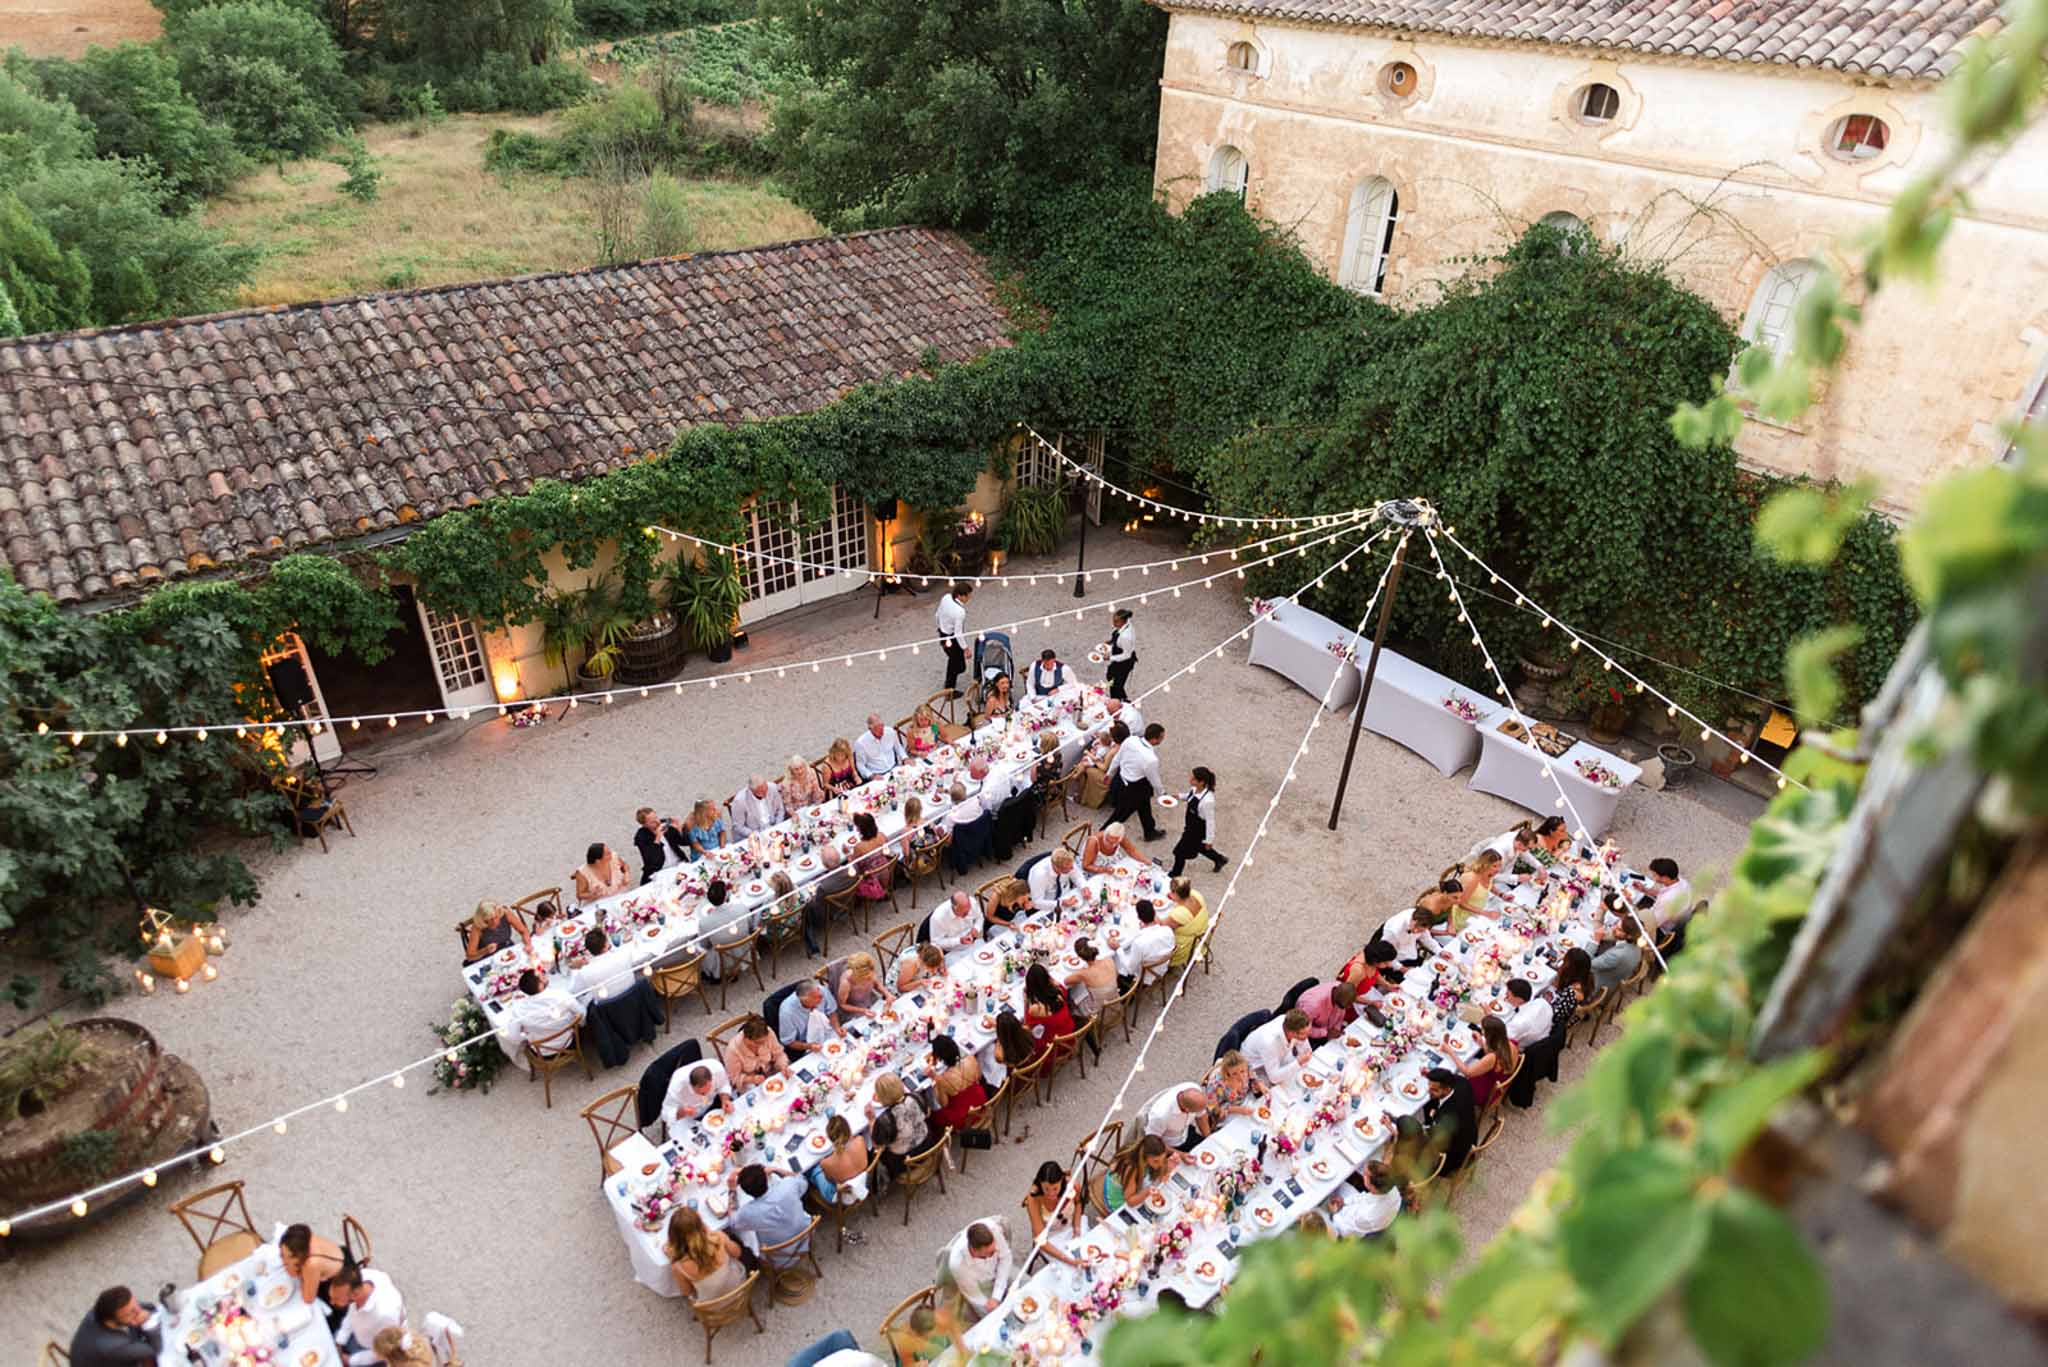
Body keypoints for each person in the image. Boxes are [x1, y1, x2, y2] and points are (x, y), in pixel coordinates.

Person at [495, 969, 584, 1067]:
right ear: (540, 985)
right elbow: (581, 1013)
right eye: (541, 975)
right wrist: (574, 1024)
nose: (544, 974)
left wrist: (528, 1038)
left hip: (542, 1053)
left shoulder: (518, 1010)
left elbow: (513, 1037)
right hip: (569, 1044)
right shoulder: (560, 995)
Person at [725, 1162, 813, 1261]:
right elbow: (802, 1180)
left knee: (739, 1231)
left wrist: (732, 1190)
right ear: (766, 1179)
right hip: (806, 1237)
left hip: (780, 1256)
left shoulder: (748, 1213)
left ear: (745, 1191)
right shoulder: (788, 1186)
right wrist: (776, 1170)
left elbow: (732, 1221)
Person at [812, 1115, 874, 1243]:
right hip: (863, 1182)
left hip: (841, 1194)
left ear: (830, 1138)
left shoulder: (827, 1163)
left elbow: (829, 1181)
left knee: (812, 1171)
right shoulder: (860, 1140)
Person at [327, 1263, 404, 1367]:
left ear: (355, 1294)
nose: (332, 1302)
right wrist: (339, 1341)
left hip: (373, 1350)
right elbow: (351, 1314)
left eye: (336, 1299)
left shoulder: (385, 1315)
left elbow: (385, 1351)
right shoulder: (361, 1279)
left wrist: (350, 1360)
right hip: (357, 1334)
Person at [666, 1206, 746, 1302]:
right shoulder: (718, 1238)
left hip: (714, 1306)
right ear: (701, 1225)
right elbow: (738, 1253)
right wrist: (712, 1234)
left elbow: (687, 1292)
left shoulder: (678, 1265)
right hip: (738, 1289)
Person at [69, 1286, 162, 1367]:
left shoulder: (100, 1310)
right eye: (131, 1312)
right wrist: (149, 1325)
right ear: (110, 1320)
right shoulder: (112, 1346)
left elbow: (150, 1307)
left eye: (135, 1304)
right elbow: (154, 1349)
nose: (139, 1312)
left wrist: (143, 1312)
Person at [279, 1224, 352, 1326]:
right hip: (338, 1257)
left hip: (337, 1281)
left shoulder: (311, 1264)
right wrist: (290, 1264)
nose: (283, 1261)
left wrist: (294, 1271)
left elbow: (308, 1298)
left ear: (298, 1255)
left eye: (287, 1258)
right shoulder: (305, 1238)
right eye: (281, 1255)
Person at [1108, 722, 1167, 841]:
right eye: (1162, 737)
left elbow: (1117, 758)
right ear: (1155, 739)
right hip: (1134, 788)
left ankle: (1150, 831)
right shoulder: (1151, 759)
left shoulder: (1131, 740)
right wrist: (1162, 794)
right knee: (1119, 817)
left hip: (1122, 779)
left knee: (1144, 806)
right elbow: (1154, 779)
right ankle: (1101, 836)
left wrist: (1109, 773)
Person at [946, 1220, 1013, 1322]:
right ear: (974, 1250)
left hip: (999, 1268)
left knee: (1024, 1290)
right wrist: (991, 1304)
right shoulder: (958, 1265)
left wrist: (997, 1295)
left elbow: (1005, 1257)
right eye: (990, 1253)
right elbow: (974, 1293)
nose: (995, 1252)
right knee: (994, 1321)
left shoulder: (993, 1230)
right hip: (979, 1286)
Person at [866, 1072, 929, 1179]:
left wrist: (871, 1120)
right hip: (927, 1144)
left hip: (904, 1162)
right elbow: (927, 1113)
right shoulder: (915, 1096)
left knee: (877, 1152)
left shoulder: (885, 1120)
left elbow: (877, 1145)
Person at [1021, 1162, 1085, 1266]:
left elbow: (1078, 1203)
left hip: (1073, 1226)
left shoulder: (1072, 1186)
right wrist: (1069, 1261)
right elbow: (1040, 1239)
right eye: (1046, 1189)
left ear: (1062, 1182)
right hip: (1050, 1237)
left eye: (1055, 1188)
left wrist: (1077, 1229)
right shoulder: (1033, 1199)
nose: (1051, 1194)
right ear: (1039, 1184)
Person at [1168, 766, 1226, 876]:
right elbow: (1189, 797)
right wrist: (1178, 796)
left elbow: (1210, 822)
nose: (1190, 780)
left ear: (1201, 782)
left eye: (1193, 779)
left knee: (1179, 852)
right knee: (1199, 846)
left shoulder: (1208, 801)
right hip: (1190, 825)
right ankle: (1219, 859)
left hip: (1196, 830)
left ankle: (1175, 874)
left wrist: (1209, 840)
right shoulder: (1195, 789)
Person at [1421, 1068, 1479, 1173]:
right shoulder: (1462, 1082)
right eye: (1429, 1086)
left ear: (1447, 1089)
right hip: (1469, 1132)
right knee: (1428, 1104)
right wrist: (1431, 1075)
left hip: (1453, 1156)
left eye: (1434, 1090)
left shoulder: (1446, 1117)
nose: (1428, 1091)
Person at [1110, 899, 1174, 993]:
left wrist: (1118, 948)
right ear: (1154, 913)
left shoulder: (1139, 943)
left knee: (1116, 958)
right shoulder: (1168, 930)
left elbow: (1130, 969)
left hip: (1146, 975)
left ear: (1139, 918)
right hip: (1162, 967)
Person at [1324, 1162, 1403, 1238]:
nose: (1363, 1173)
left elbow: (1346, 1231)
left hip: (1347, 1228)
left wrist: (1334, 1213)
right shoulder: (1391, 1188)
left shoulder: (1368, 1217)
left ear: (1372, 1186)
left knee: (1317, 1211)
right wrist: (1345, 1201)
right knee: (1340, 1185)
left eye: (1365, 1174)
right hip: (1358, 1213)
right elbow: (1366, 1197)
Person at [660, 1060, 733, 1140]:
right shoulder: (677, 1088)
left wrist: (725, 1100)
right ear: (691, 1085)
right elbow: (665, 1114)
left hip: (713, 1106)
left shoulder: (717, 1069)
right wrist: (682, 1112)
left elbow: (724, 1084)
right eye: (701, 1093)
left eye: (708, 1089)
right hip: (689, 1118)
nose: (705, 1095)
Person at [1241, 1008, 1312, 1088]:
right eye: (1304, 1034)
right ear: (1291, 1033)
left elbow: (1306, 1050)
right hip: (1254, 1066)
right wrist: (1298, 1062)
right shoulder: (1269, 1043)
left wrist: (1303, 1057)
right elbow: (1274, 1078)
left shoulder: (1289, 1022)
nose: (1307, 1037)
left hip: (1274, 1057)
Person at [930, 1035, 988, 1131]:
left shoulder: (942, 1079)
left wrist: (935, 1079)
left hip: (965, 1115)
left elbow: (944, 1104)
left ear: (940, 1058)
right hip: (980, 1101)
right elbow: (979, 1077)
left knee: (935, 1115)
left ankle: (942, 1137)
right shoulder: (970, 1058)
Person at [569, 925, 639, 1004]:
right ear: (606, 944)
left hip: (609, 1010)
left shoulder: (584, 972)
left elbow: (573, 991)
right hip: (635, 998)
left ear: (588, 950)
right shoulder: (624, 953)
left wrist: (576, 969)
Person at [1638, 857, 1696, 951]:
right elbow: (1662, 893)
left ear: (1665, 878)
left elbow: (1653, 923)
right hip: (1676, 919)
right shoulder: (1683, 883)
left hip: (1663, 929)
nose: (1653, 877)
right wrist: (1644, 890)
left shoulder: (1667, 901)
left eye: (1655, 875)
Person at [1463, 1014, 1518, 1111]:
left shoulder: (1492, 1058)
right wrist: (1481, 1042)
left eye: (1483, 1031)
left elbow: (1467, 1072)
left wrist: (1449, 1051)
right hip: (1499, 1083)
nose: (1482, 1032)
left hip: (1484, 1092)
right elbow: (1497, 1054)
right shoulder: (1511, 1043)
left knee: (1455, 1074)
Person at [1376, 894, 1451, 965]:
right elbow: (1385, 955)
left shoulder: (1422, 922)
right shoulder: (1394, 931)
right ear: (1413, 919)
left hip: (1408, 952)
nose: (1415, 931)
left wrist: (1440, 951)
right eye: (1415, 927)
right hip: (1390, 956)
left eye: (1420, 931)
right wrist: (1401, 968)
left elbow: (1427, 939)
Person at [722, 1015, 793, 1090]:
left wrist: (783, 1066)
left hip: (770, 1071)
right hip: (748, 1082)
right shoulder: (733, 1050)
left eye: (763, 1042)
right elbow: (734, 1077)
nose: (761, 1045)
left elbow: (779, 1054)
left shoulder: (768, 1033)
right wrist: (752, 1079)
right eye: (757, 1043)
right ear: (746, 1038)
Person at [1023, 963, 1077, 1060]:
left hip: (1053, 1045)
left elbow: (1027, 1024)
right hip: (1068, 1033)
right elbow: (1060, 986)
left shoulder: (1036, 1008)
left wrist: (1026, 1002)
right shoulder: (1059, 990)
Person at [1113, 1135, 1180, 1207]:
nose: (1160, 1164)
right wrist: (1147, 1192)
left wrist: (1168, 1168)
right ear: (1145, 1156)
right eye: (1156, 1161)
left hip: (1133, 1187)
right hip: (1116, 1197)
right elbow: (1130, 1201)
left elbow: (1159, 1176)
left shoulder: (1147, 1158)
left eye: (1163, 1159)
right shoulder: (1132, 1168)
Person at [460, 899, 531, 964]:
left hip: (506, 948)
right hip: (487, 956)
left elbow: (523, 931)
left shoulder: (505, 913)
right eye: (490, 919)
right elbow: (470, 955)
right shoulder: (477, 927)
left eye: (496, 917)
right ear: (484, 919)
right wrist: (485, 950)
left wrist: (527, 944)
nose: (495, 921)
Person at [1143, 1084, 1212, 1151]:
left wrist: (1208, 1138)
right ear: (1187, 1110)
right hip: (1170, 1145)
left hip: (1186, 1133)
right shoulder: (1160, 1116)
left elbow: (1201, 1117)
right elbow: (1154, 1142)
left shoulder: (1195, 1089)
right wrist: (1181, 1155)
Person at [778, 980, 840, 1054]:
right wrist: (809, 1046)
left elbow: (831, 1011)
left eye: (820, 998)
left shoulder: (821, 991)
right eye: (814, 1005)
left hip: (828, 1031)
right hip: (807, 1044)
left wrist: (837, 1028)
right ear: (804, 1001)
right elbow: (789, 1042)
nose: (817, 1007)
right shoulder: (787, 1013)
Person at [633, 806, 691, 884]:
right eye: (652, 822)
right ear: (644, 825)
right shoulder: (641, 837)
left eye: (656, 817)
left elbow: (685, 842)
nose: (657, 822)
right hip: (660, 872)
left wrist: (679, 828)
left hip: (679, 865)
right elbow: (653, 861)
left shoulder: (665, 824)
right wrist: (658, 838)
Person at [1163, 876, 1211, 970]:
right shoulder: (1196, 894)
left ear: (1176, 894)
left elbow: (1161, 925)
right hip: (1202, 932)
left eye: (1172, 892)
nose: (1169, 893)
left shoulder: (1179, 914)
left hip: (1184, 946)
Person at [935, 583, 974, 695]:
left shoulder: (946, 597)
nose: (969, 598)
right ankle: (949, 689)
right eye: (968, 596)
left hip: (943, 634)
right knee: (959, 665)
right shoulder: (960, 612)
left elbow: (937, 615)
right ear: (960, 596)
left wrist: (940, 626)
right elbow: (958, 633)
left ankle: (949, 685)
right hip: (952, 638)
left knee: (953, 661)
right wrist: (966, 649)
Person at [1203, 1049, 1263, 1120]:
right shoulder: (1217, 1086)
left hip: (1247, 1102)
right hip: (1230, 1113)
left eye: (1242, 1071)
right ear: (1227, 1073)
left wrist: (1259, 1084)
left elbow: (1252, 1076)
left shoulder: (1246, 1067)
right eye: (1234, 1074)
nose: (1241, 1077)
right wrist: (1236, 1109)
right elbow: (1213, 1110)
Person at [1063, 939, 1118, 1016]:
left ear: (1081, 957)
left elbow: (1065, 981)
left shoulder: (1083, 973)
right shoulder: (1108, 959)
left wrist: (1081, 972)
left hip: (1098, 1009)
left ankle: (1072, 1012)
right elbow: (1116, 974)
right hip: (1115, 999)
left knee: (1073, 992)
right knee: (1085, 986)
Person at [1592, 913, 1644, 993]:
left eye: (1619, 929)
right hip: (1613, 978)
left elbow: (1588, 964)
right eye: (1616, 924)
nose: (1613, 928)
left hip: (1594, 982)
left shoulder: (1617, 955)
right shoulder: (1637, 946)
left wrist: (1595, 941)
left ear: (1629, 936)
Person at [1295, 979, 1359, 1042]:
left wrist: (1336, 1029)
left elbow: (1340, 1015)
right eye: (1343, 1006)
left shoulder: (1340, 989)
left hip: (1326, 1028)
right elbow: (1301, 1029)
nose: (1347, 1008)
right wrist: (1326, 1033)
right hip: (1306, 1033)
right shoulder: (1312, 1006)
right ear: (1335, 997)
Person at [849, 812, 893, 900]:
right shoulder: (881, 835)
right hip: (886, 872)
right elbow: (887, 850)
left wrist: (847, 854)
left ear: (861, 830)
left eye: (858, 827)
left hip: (872, 880)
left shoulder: (859, 847)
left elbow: (853, 865)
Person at [837, 952, 893, 1019]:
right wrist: (863, 1011)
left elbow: (877, 984)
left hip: (871, 1001)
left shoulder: (869, 970)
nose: (871, 976)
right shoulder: (846, 983)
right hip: (855, 1010)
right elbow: (842, 1005)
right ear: (858, 975)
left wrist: (887, 994)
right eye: (867, 977)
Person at [1552, 947, 1595, 1032]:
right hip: (1570, 1010)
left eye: (1565, 962)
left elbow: (1555, 1017)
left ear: (1571, 969)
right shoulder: (1587, 976)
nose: (1563, 964)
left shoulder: (1571, 992)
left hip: (1558, 1023)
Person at [1503, 978, 1554, 1049]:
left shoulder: (1519, 1022)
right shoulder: (1542, 1003)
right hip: (1543, 1037)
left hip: (1520, 1048)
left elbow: (1501, 1038)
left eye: (1508, 995)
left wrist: (1489, 1016)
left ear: (1519, 1000)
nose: (1505, 996)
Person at [1027, 847, 1081, 913]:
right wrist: (1061, 903)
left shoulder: (1068, 861)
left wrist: (1084, 887)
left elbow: (1077, 875)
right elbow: (1036, 902)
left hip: (1067, 894)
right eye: (1069, 868)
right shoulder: (1040, 875)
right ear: (1058, 869)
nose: (1073, 869)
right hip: (1049, 905)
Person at [854, 714, 908, 779]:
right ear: (870, 728)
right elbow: (860, 765)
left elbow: (898, 747)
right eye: (877, 727)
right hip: (878, 774)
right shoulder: (861, 743)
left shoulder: (890, 732)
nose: (881, 729)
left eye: (882, 725)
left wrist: (905, 758)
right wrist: (871, 776)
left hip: (894, 768)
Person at [1081, 821, 1146, 875]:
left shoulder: (1120, 837)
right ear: (1105, 834)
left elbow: (1133, 851)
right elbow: (1086, 866)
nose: (1109, 845)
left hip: (1111, 866)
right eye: (1107, 840)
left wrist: (1149, 863)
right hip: (1093, 869)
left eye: (1114, 843)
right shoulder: (1093, 842)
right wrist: (1104, 870)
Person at [1104, 607, 1137, 700]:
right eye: (1113, 620)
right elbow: (1117, 636)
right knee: (1111, 678)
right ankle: (1116, 698)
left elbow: (1127, 655)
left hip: (1124, 663)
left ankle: (1121, 701)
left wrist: (1110, 658)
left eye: (1116, 621)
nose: (1113, 623)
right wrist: (1111, 641)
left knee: (1117, 685)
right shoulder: (1127, 624)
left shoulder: (1125, 637)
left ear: (1123, 621)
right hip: (1119, 658)